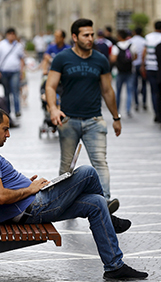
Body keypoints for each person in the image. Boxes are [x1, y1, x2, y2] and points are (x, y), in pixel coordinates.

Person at [0, 106, 148, 280]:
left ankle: (114, 267)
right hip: (32, 207)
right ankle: (111, 220)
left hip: (28, 205)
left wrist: (25, 185)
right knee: (87, 172)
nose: (8, 134)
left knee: (96, 203)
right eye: (5, 129)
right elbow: (0, 196)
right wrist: (29, 189)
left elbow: (0, 188)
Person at [45, 18, 121, 211]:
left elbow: (107, 90)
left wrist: (116, 117)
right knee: (66, 167)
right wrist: (53, 108)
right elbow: (51, 85)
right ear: (74, 37)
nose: (90, 38)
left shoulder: (100, 59)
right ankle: (61, 205)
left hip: (94, 120)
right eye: (85, 35)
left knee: (100, 162)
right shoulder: (62, 58)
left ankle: (105, 202)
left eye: (92, 34)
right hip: (68, 120)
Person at [0, 28, 25, 117]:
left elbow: (22, 59)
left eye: (13, 34)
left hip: (15, 71)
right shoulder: (1, 45)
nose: (12, 36)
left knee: (15, 91)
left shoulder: (18, 46)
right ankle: (7, 111)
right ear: (7, 35)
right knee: (6, 92)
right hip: (4, 72)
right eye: (10, 34)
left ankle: (17, 110)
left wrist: (21, 72)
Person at [110, 30, 137, 117]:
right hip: (130, 71)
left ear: (119, 36)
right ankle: (128, 110)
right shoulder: (131, 45)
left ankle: (117, 109)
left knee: (118, 91)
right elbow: (135, 57)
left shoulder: (116, 47)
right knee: (129, 91)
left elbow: (113, 59)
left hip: (119, 71)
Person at [142, 20, 161, 122]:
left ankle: (156, 112)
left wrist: (143, 65)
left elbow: (144, 52)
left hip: (150, 67)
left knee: (153, 92)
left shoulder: (148, 37)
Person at [130, 27, 147, 111]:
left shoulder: (131, 41)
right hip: (143, 65)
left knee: (135, 85)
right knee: (144, 84)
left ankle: (136, 103)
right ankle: (144, 102)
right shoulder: (144, 41)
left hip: (134, 65)